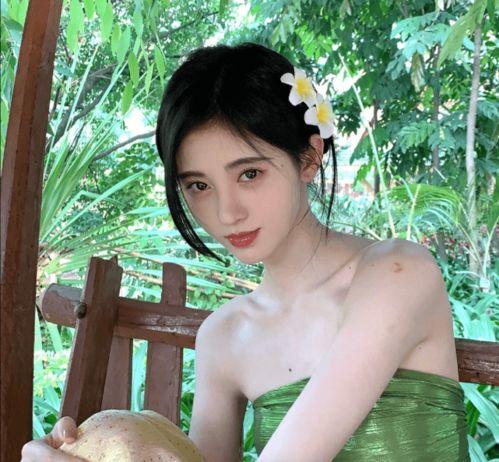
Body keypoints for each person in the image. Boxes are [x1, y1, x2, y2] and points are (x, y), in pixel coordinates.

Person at [21, 42, 470, 462]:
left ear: (309, 157)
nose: (227, 212)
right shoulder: (224, 336)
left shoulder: (397, 274)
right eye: (199, 186)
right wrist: (106, 442)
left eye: (250, 174)